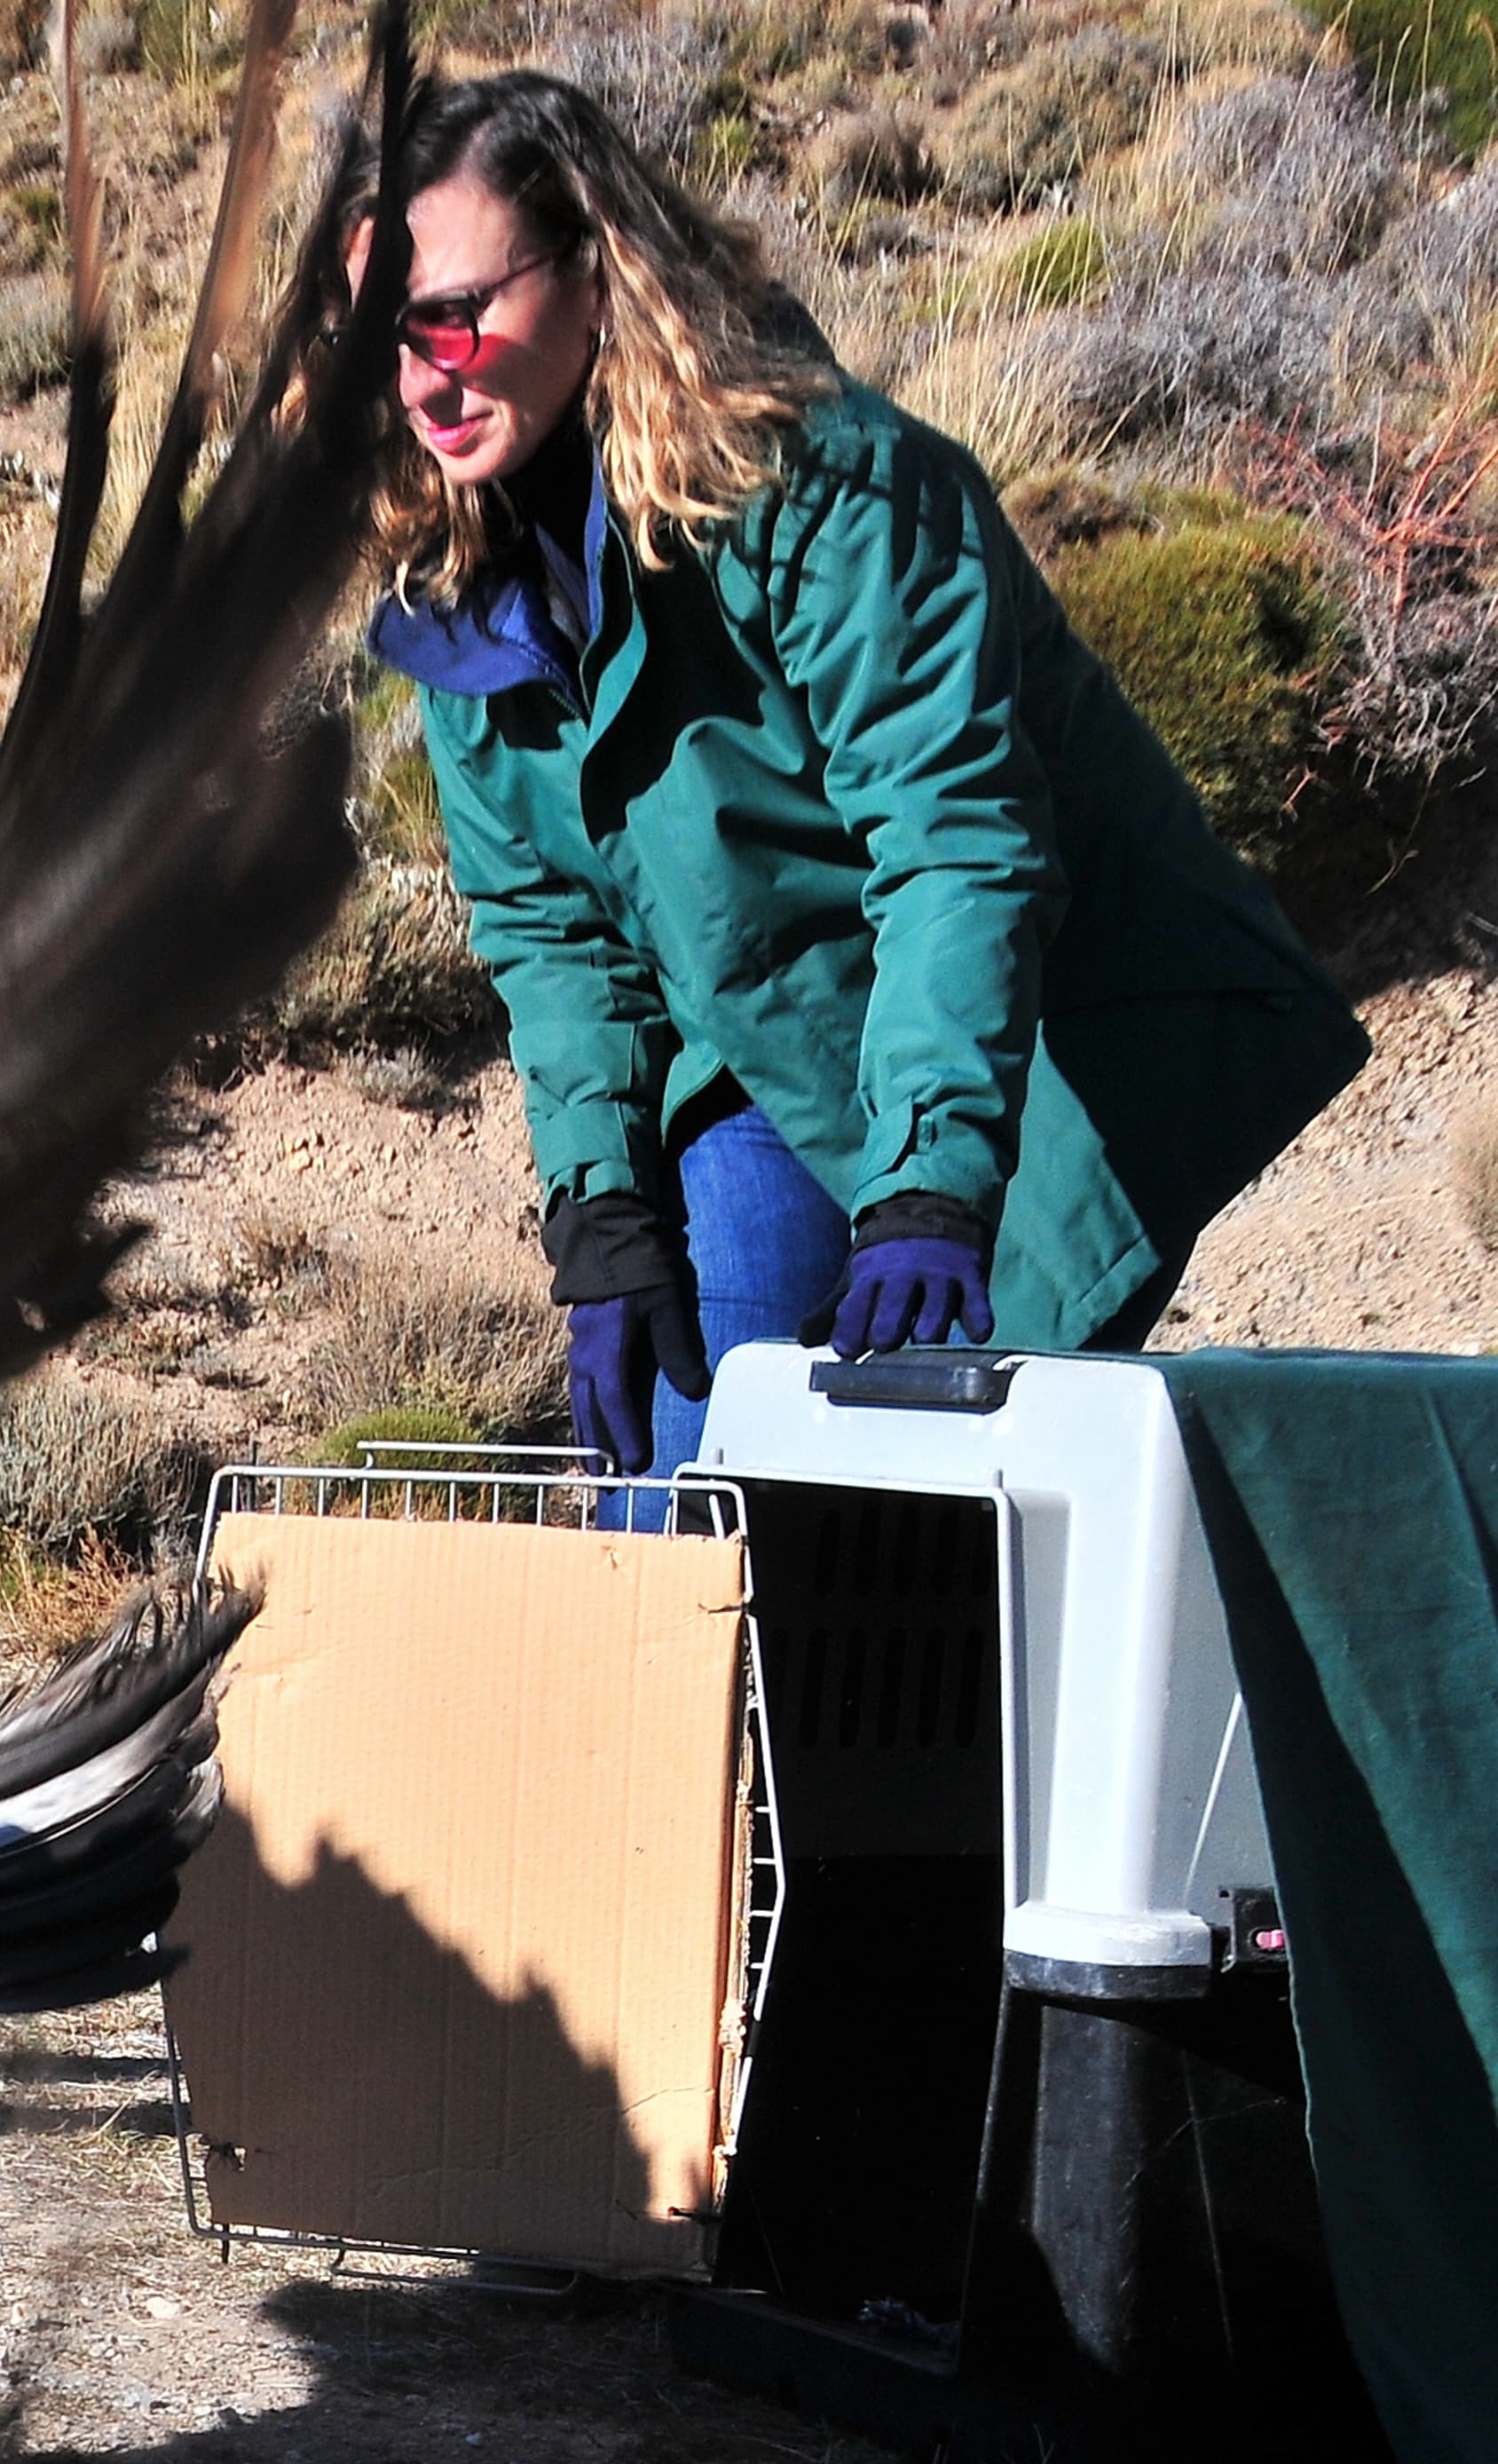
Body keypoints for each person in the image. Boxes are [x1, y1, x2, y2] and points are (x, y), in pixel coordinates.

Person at [363, 69, 1368, 1476]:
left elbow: (955, 842)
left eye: (454, 315)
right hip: (762, 1046)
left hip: (1046, 1037)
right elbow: (549, 926)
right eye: (380, 333)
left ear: (599, 271)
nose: (422, 376)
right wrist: (601, 1214)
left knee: (940, 1505)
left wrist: (927, 1196)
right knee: (694, 1491)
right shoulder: (459, 582)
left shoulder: (834, 491)